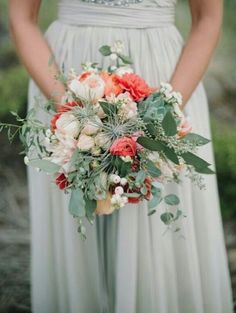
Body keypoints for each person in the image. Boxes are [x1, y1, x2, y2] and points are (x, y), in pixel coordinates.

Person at [8, 0, 233, 312]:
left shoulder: (165, 101)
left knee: (157, 226)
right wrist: (73, 112)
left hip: (163, 78)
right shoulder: (66, 100)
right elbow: (22, 17)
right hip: (64, 79)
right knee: (79, 216)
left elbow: (208, 18)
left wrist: (164, 110)